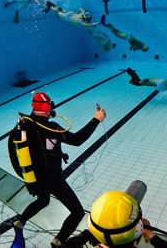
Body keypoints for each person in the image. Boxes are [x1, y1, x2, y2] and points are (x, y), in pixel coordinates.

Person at [8, 92, 106, 247]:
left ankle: (19, 222)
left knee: (43, 200)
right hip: (52, 178)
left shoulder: (24, 124)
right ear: (47, 107)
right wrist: (96, 120)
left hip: (33, 177)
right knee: (77, 212)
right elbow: (77, 140)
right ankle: (58, 242)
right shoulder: (52, 127)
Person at [64, 191, 167, 248]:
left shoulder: (94, 234)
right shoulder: (140, 231)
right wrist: (150, 235)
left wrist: (88, 234)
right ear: (138, 229)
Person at [44, 1, 113, 52]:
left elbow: (80, 8)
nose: (89, 21)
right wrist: (93, 24)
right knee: (57, 13)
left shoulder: (82, 13)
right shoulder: (81, 22)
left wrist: (77, 13)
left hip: (71, 14)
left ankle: (52, 5)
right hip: (67, 17)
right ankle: (50, 5)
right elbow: (86, 24)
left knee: (62, 10)